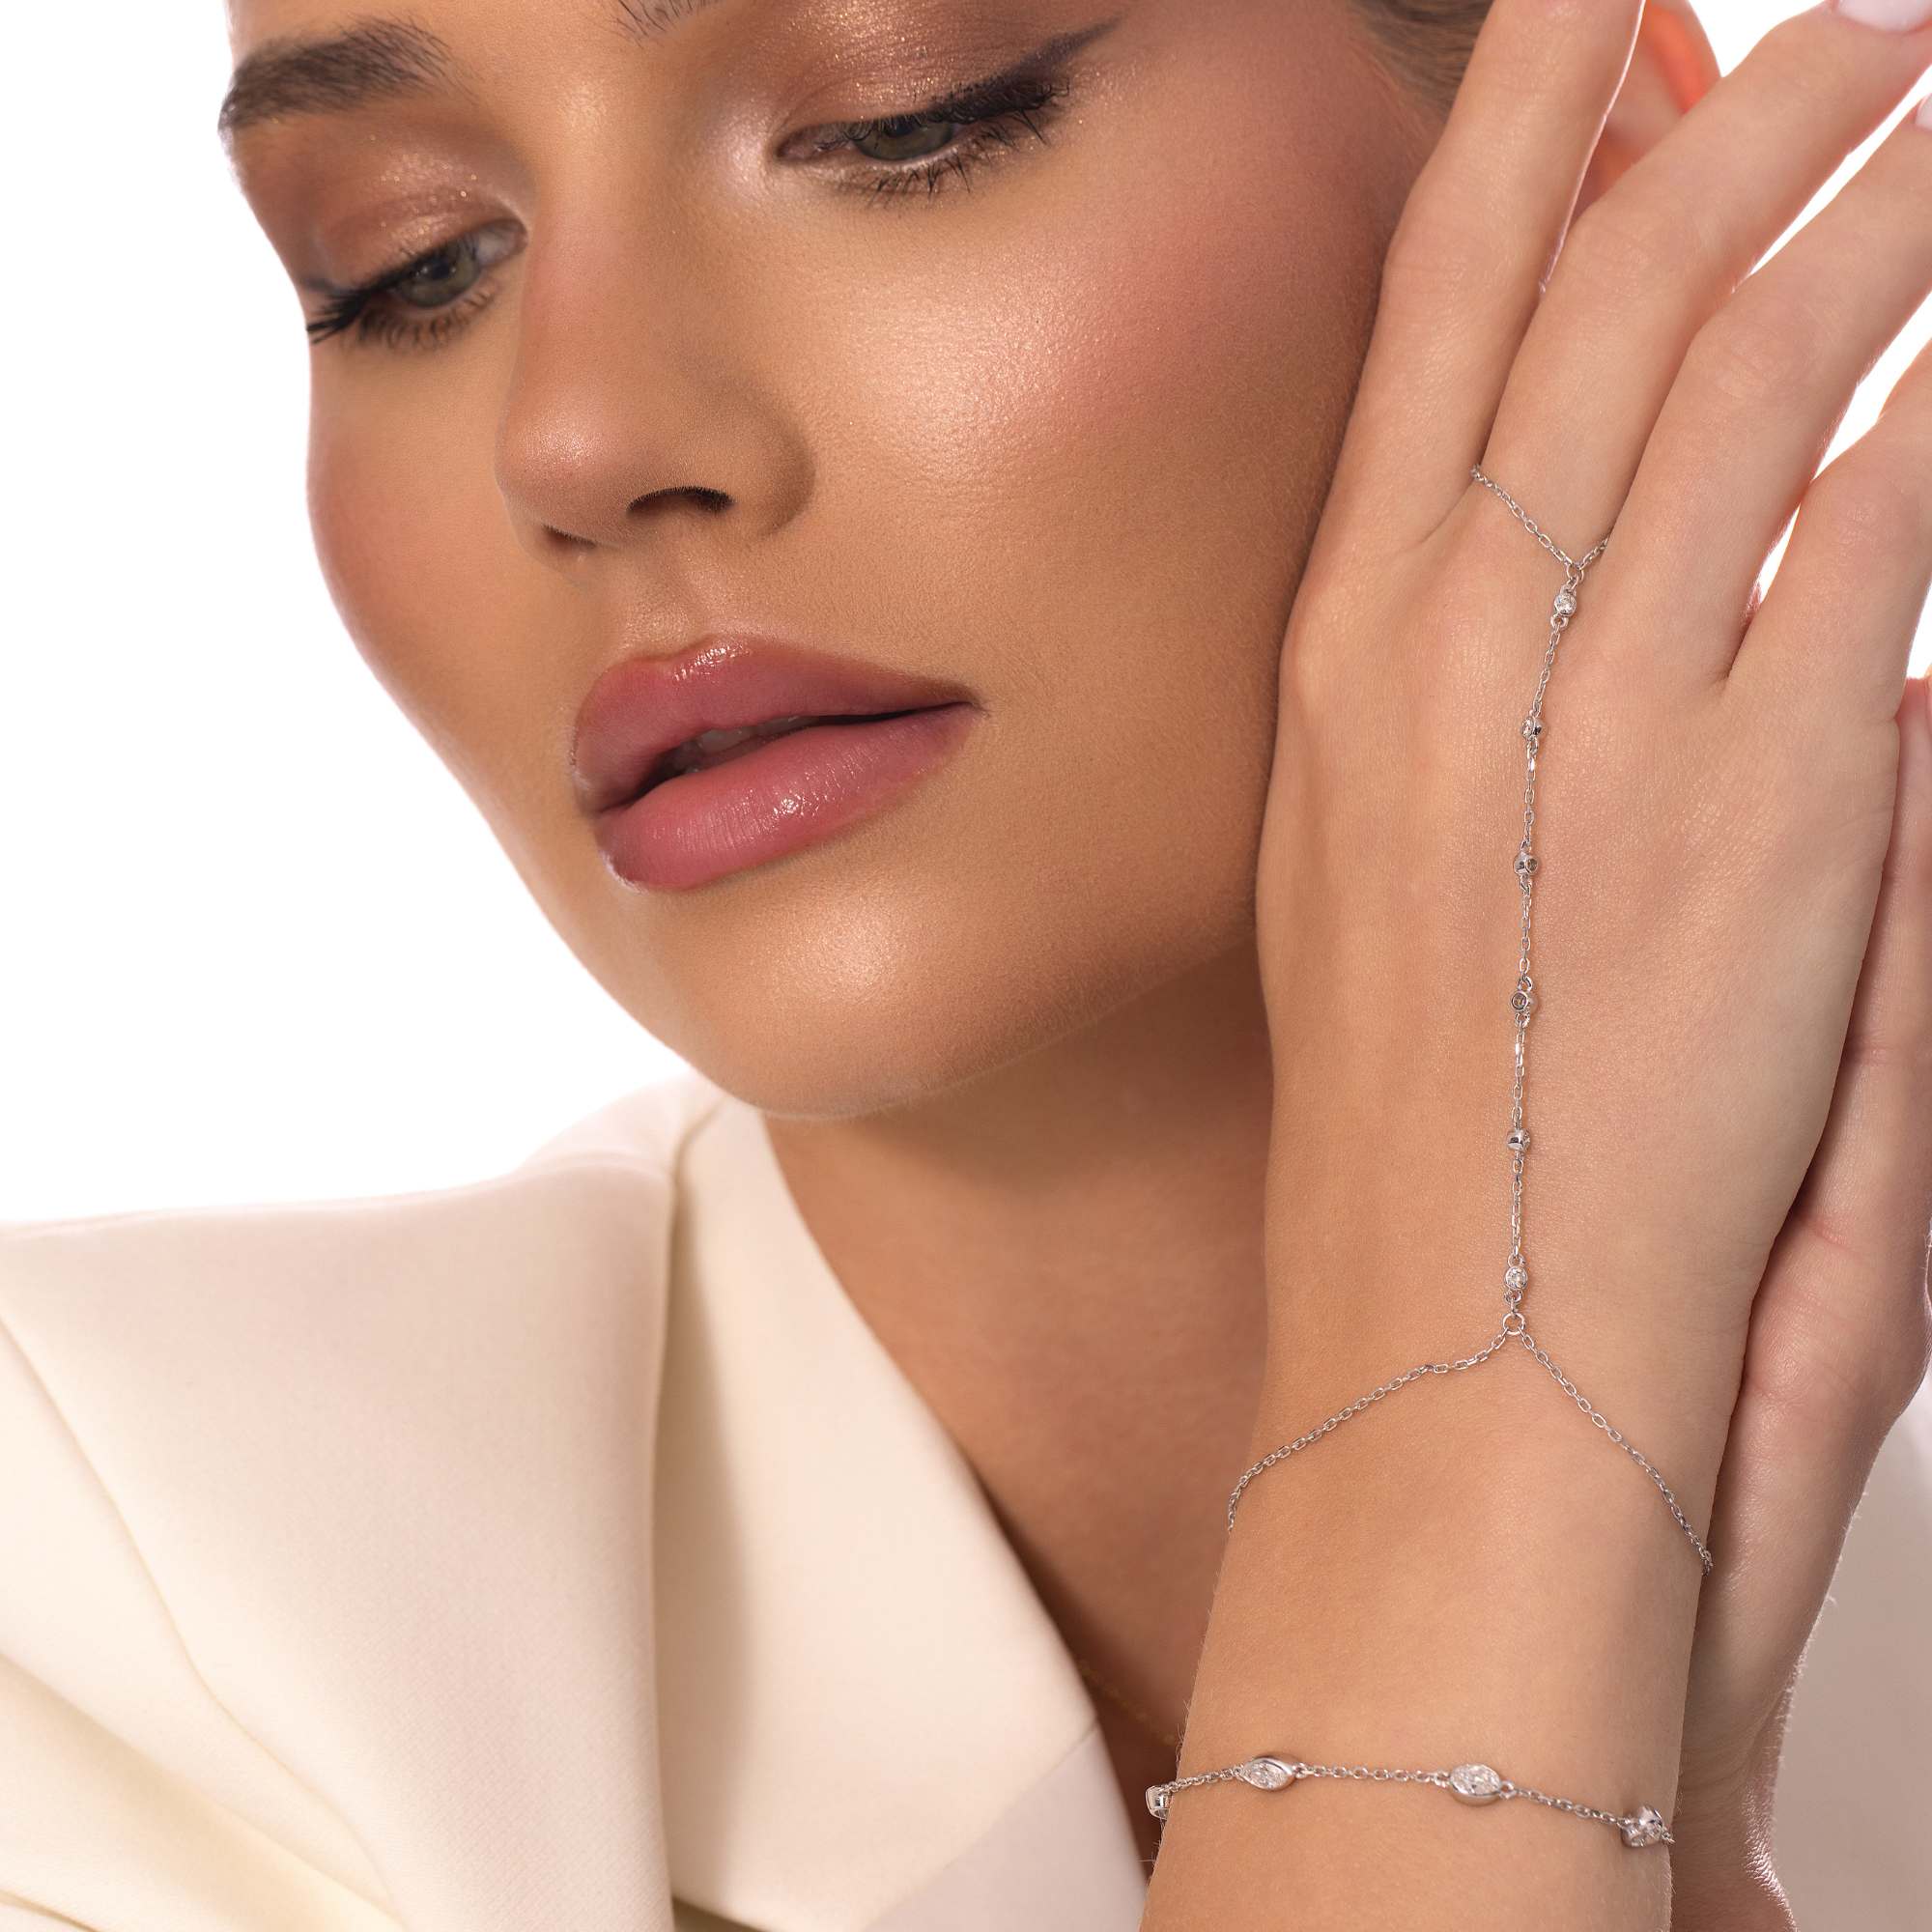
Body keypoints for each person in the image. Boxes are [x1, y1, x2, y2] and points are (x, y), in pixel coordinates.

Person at [3, 0, 1929, 1925]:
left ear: (1597, 181)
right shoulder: (91, 1582)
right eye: (410, 266)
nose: (575, 436)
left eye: (900, 120)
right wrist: (1472, 1487)